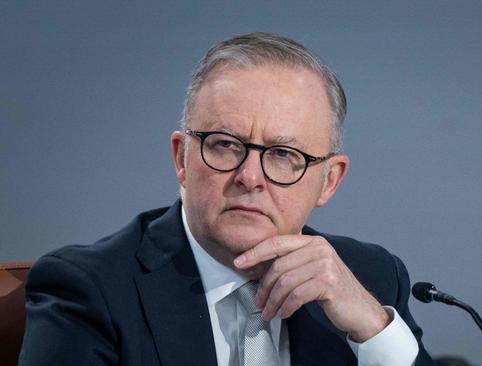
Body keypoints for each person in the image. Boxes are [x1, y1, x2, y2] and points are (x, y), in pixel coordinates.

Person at [19, 32, 436, 366]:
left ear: (329, 181)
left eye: (284, 155)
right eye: (224, 145)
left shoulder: (371, 279)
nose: (249, 177)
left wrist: (374, 329)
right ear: (182, 158)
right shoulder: (92, 289)